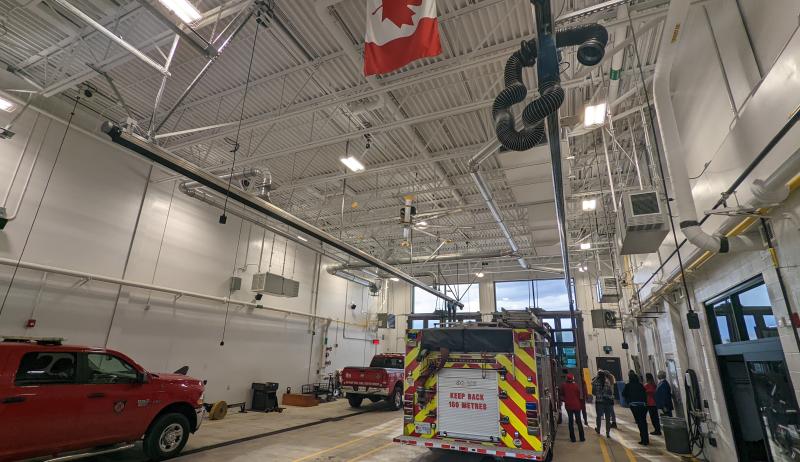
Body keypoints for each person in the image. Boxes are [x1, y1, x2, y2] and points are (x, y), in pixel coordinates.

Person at [622, 370, 650, 445]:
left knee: (639, 422)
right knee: (643, 421)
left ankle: (643, 439)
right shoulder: (640, 385)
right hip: (643, 406)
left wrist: (629, 400)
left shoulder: (628, 385)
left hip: (634, 406)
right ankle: (646, 439)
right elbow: (645, 394)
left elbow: (623, 394)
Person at [559, 373, 585, 442]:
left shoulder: (563, 385)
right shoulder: (576, 385)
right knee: (578, 421)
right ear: (573, 378)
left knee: (570, 422)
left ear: (567, 379)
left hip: (569, 406)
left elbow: (561, 395)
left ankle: (573, 438)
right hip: (577, 406)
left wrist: (565, 400)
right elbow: (578, 394)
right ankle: (582, 438)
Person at [591, 370, 614, 438]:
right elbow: (611, 392)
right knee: (607, 418)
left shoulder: (596, 382)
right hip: (608, 402)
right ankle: (608, 433)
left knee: (598, 416)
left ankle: (598, 429)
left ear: (598, 375)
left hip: (599, 402)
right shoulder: (608, 381)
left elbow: (593, 392)